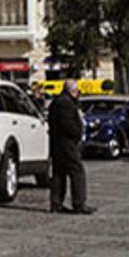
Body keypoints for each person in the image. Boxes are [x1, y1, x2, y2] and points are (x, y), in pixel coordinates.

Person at [48, 80, 94, 215]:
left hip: (57, 142)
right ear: (72, 90)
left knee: (59, 172)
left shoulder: (57, 101)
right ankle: (79, 203)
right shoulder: (65, 103)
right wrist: (77, 134)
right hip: (67, 143)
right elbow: (68, 125)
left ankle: (56, 204)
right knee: (77, 171)